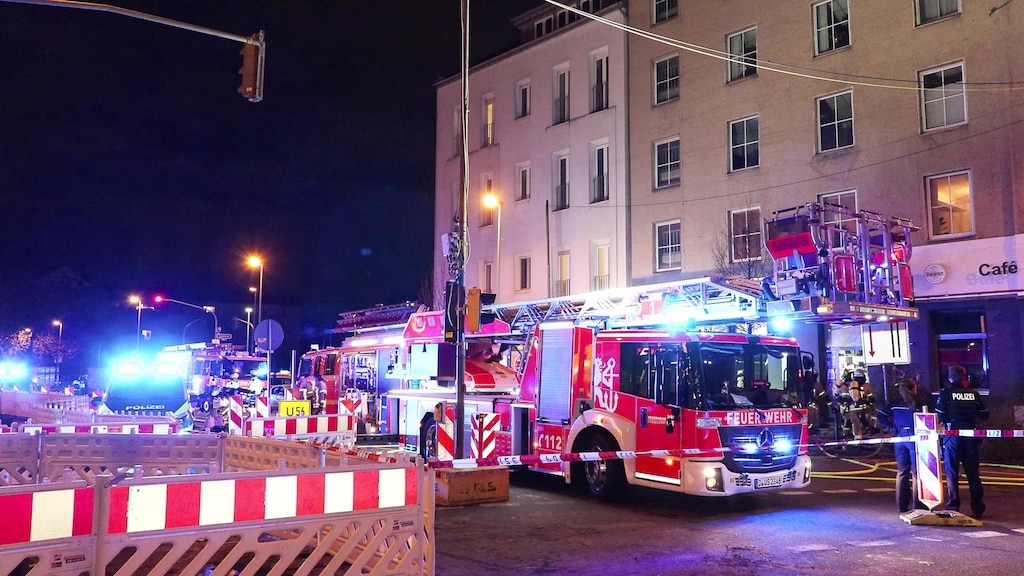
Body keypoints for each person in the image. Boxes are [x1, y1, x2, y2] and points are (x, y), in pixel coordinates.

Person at [935, 364, 989, 517]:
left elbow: (939, 415)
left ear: (950, 377)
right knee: (973, 473)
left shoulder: (946, 394)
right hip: (971, 437)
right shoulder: (974, 394)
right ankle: (978, 507)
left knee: (952, 473)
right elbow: (985, 415)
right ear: (964, 377)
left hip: (952, 437)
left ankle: (953, 506)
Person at [876, 378, 924, 513]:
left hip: (899, 439)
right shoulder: (919, 404)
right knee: (916, 473)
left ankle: (901, 505)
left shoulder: (894, 404)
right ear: (914, 388)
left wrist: (892, 427)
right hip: (915, 440)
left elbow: (880, 416)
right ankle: (918, 505)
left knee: (902, 472)